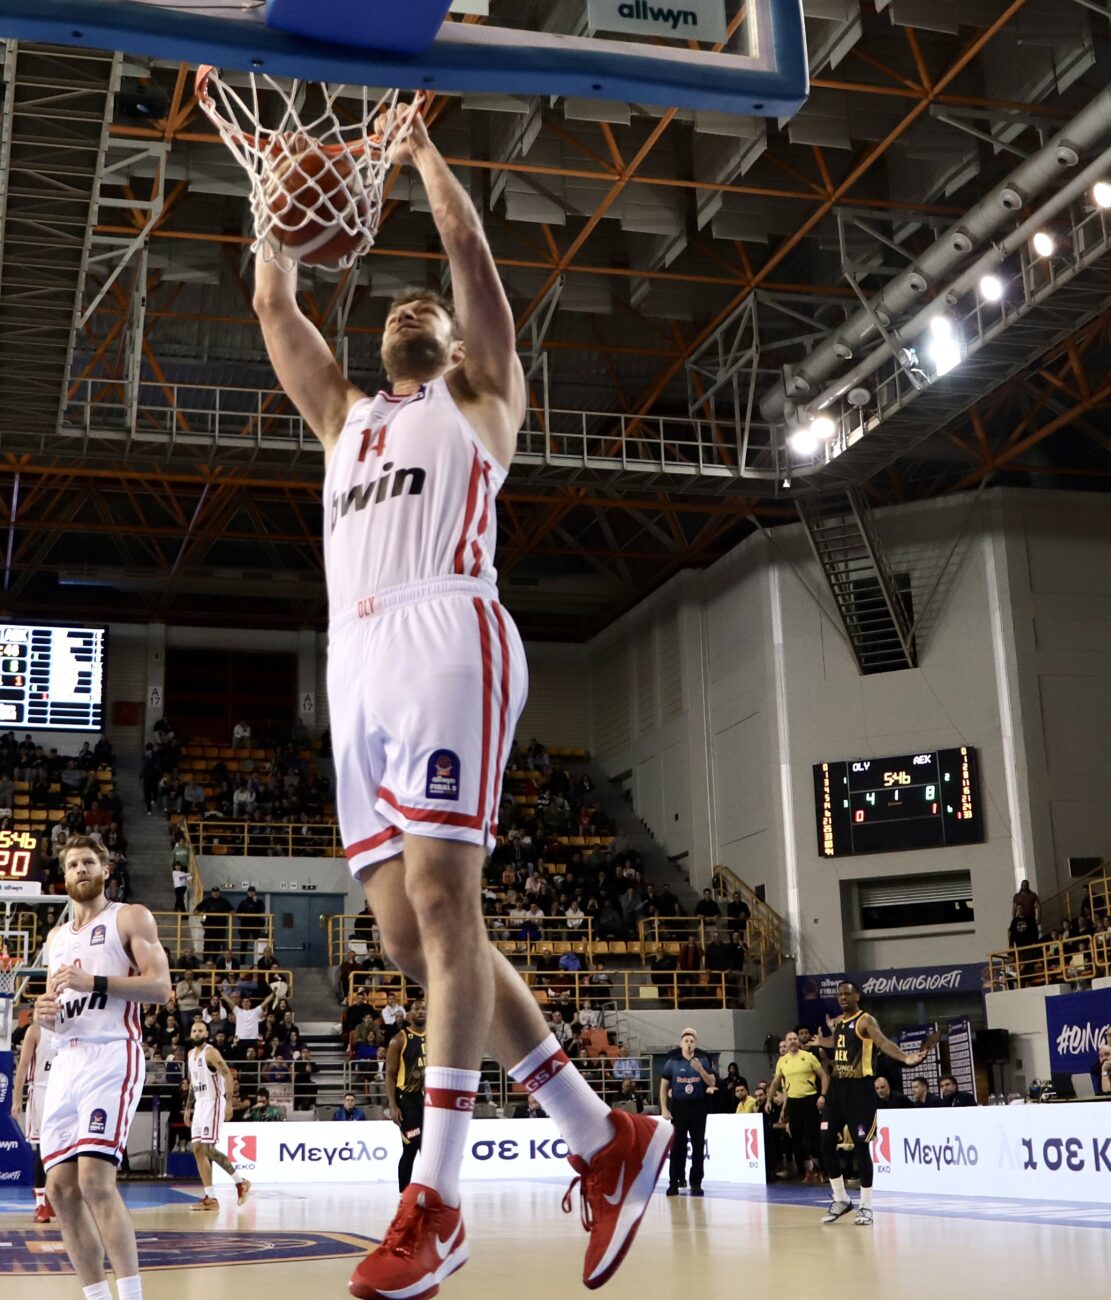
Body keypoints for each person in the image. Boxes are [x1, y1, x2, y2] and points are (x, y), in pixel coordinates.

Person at [252, 100, 666, 1300]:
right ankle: (603, 1136)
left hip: (448, 630)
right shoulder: (343, 420)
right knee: (406, 933)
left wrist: (416, 155)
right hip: (355, 663)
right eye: (391, 306)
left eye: (417, 308)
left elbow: (474, 266)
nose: (404, 310)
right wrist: (275, 207)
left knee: (443, 902)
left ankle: (434, 1199)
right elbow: (277, 310)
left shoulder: (478, 400)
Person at [34, 836, 173, 1300]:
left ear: (105, 870)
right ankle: (96, 1296)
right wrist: (45, 1017)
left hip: (112, 1051)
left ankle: (131, 1296)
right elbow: (61, 1007)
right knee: (59, 1189)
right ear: (64, 875)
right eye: (72, 864)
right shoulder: (55, 939)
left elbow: (160, 988)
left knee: (95, 1180)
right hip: (66, 1058)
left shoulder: (130, 916)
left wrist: (92, 980)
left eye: (88, 862)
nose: (80, 869)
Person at [816, 983, 926, 1226]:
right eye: (840, 994)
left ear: (857, 996)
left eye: (847, 993)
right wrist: (820, 1041)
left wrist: (906, 1058)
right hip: (837, 1088)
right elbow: (838, 1043)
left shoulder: (866, 1021)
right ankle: (841, 1198)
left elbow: (884, 1043)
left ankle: (866, 1205)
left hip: (860, 1089)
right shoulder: (841, 1022)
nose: (843, 997)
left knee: (860, 1145)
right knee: (824, 1140)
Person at [184, 1020, 250, 1211]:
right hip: (200, 1103)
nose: (197, 1033)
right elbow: (193, 1082)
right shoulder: (190, 1054)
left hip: (213, 1101)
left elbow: (227, 1074)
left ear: (206, 1033)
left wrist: (228, 1102)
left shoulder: (210, 1052)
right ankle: (210, 1198)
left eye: (200, 1030)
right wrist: (188, 1107)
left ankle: (241, 1182)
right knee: (197, 1149)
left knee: (207, 1149)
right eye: (194, 1030)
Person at [657, 1028, 717, 1196]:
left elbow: (712, 1081)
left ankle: (696, 1182)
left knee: (698, 1146)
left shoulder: (703, 1060)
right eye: (686, 1041)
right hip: (679, 1107)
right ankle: (674, 1182)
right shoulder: (673, 1062)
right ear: (681, 1043)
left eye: (692, 1041)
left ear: (695, 1043)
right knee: (677, 1147)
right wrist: (664, 1107)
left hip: (698, 1107)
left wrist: (701, 1070)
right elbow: (663, 1086)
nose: (689, 1043)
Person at [762, 1031, 827, 1185]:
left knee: (814, 1137)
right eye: (789, 1039)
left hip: (810, 1099)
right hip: (794, 1101)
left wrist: (822, 1095)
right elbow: (776, 1083)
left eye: (795, 1039)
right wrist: (769, 1099)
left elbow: (824, 1076)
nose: (792, 1041)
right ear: (786, 1042)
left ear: (798, 1042)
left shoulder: (808, 1057)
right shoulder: (782, 1061)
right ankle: (804, 1172)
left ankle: (822, 1171)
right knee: (797, 1138)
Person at [16, 1018, 59, 1223]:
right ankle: (40, 1203)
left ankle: (50, 1194)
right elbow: (23, 1066)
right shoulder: (35, 1031)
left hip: (64, 1093)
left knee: (63, 1151)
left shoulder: (68, 1027)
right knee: (43, 1149)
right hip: (41, 1091)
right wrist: (16, 1100)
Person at [385, 998, 429, 1191]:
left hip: (426, 1099)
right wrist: (393, 1105)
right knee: (411, 1148)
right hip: (406, 1099)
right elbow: (390, 1074)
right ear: (410, 1014)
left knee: (429, 1151)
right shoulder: (399, 1040)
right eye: (417, 1009)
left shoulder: (434, 1037)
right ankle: (404, 1195)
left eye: (424, 1009)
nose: (421, 1012)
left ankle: (430, 1192)